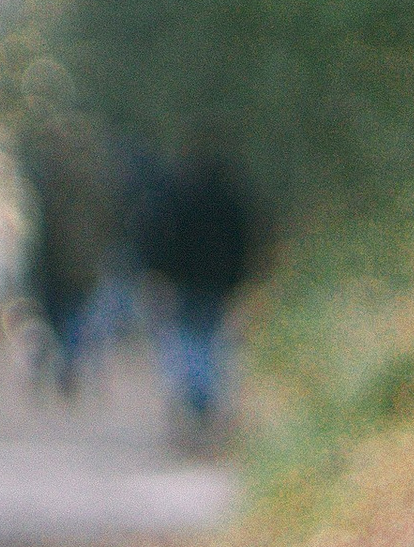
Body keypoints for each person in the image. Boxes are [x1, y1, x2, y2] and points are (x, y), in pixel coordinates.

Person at [132, 142, 262, 440]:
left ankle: (196, 400)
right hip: (219, 283)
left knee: (188, 342)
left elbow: (160, 239)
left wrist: (159, 274)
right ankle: (203, 401)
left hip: (185, 284)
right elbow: (244, 240)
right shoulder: (230, 199)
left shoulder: (176, 197)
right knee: (209, 342)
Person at [20, 105, 124, 394]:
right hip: (81, 263)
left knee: (56, 316)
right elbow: (107, 220)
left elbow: (42, 228)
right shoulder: (94, 179)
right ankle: (68, 361)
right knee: (73, 316)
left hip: (56, 264)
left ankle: (62, 361)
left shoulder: (48, 181)